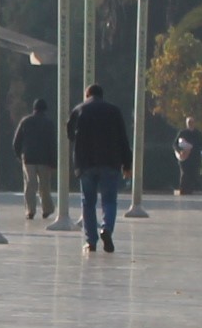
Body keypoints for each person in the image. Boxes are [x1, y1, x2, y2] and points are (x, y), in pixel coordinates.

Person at [66, 82, 128, 249]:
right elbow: (123, 138)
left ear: (87, 95)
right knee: (109, 200)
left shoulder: (79, 110)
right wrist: (127, 164)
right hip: (110, 162)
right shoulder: (114, 111)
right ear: (102, 95)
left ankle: (91, 240)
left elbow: (70, 134)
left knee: (88, 202)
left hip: (86, 163)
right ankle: (106, 228)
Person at [14, 94, 58, 223]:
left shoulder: (25, 121)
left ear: (34, 109)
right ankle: (47, 209)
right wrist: (53, 161)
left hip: (28, 158)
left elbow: (16, 141)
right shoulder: (49, 123)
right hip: (44, 159)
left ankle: (30, 211)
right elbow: (52, 144)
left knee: (29, 185)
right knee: (44, 186)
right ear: (45, 109)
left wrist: (19, 155)